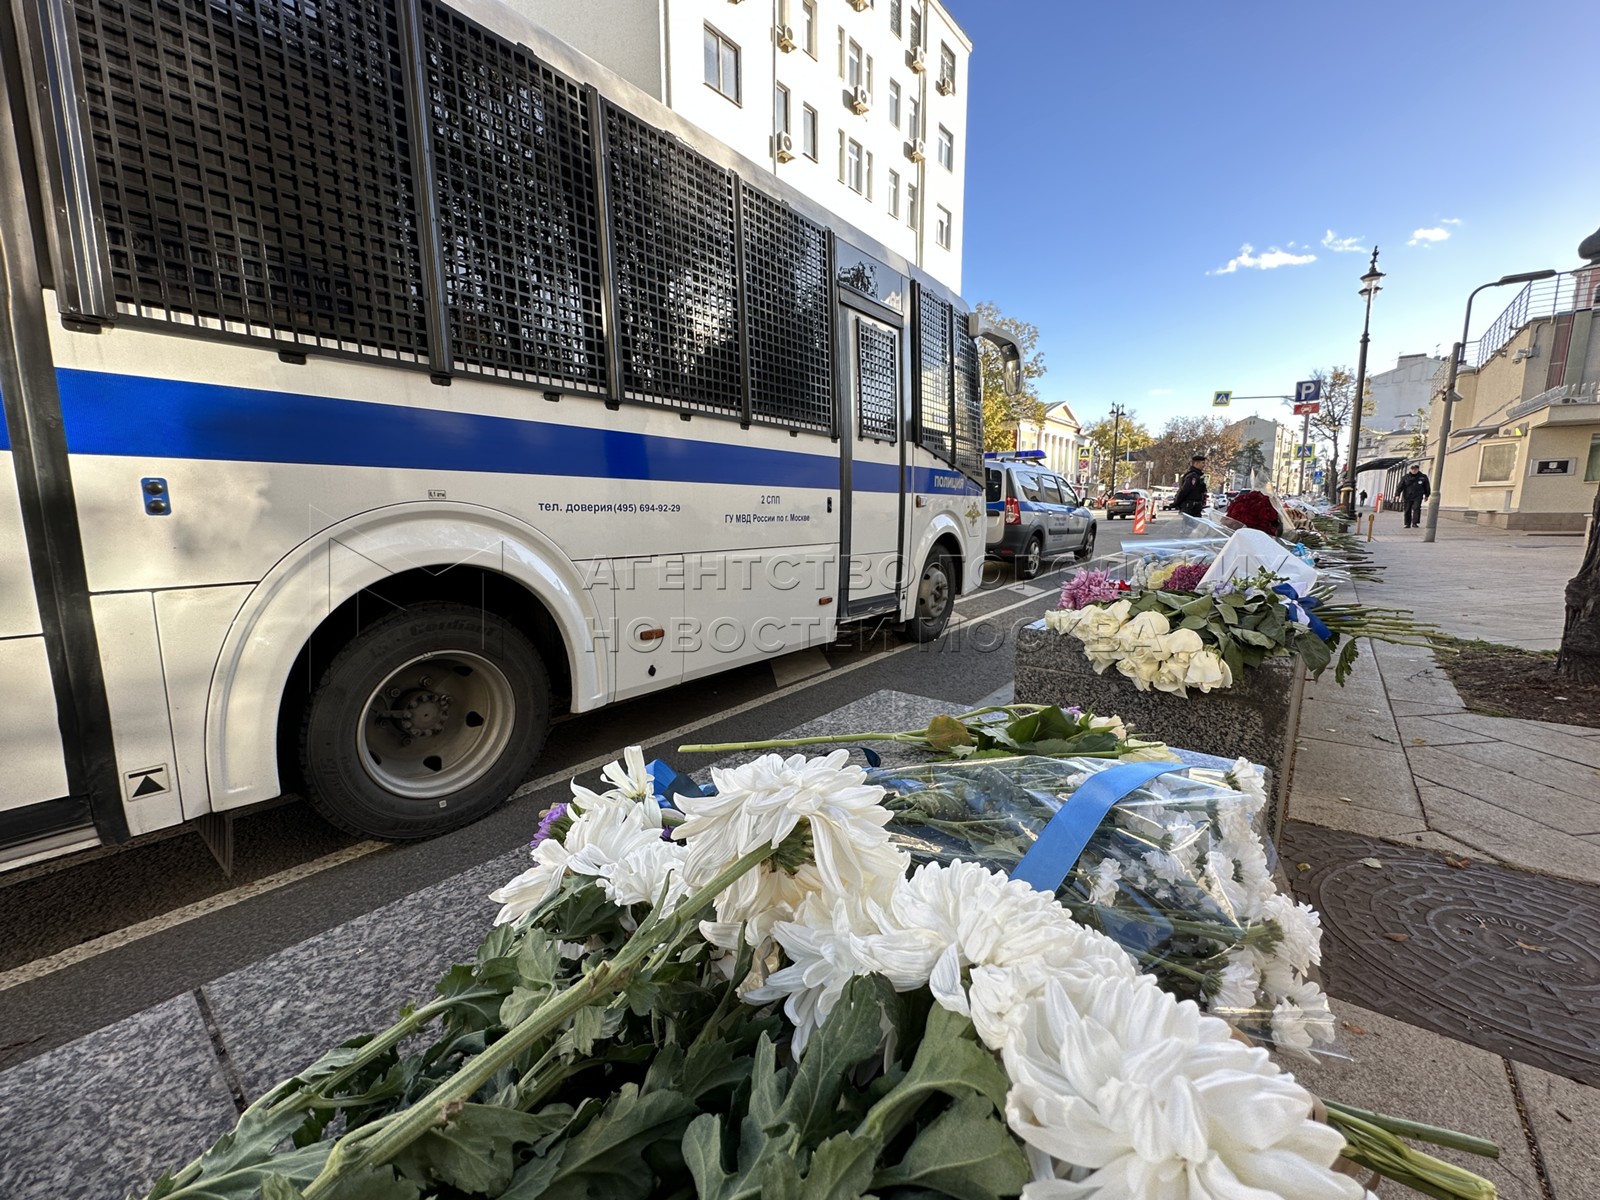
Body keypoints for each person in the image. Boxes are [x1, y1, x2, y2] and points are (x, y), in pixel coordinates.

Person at [1396, 463, 1430, 528]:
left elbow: (1427, 486)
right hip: (1407, 496)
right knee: (1407, 509)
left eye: (1415, 469)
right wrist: (1397, 495)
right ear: (1410, 469)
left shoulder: (1423, 477)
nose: (1414, 470)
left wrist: (1427, 495)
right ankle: (1407, 523)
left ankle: (1415, 523)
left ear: (1418, 469)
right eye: (1413, 469)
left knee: (1416, 508)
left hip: (1418, 496)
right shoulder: (1405, 477)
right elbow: (1400, 486)